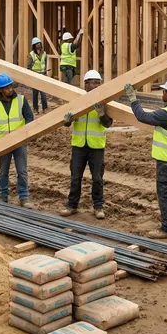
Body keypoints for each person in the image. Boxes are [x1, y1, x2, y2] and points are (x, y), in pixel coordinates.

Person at [124, 76, 167, 239]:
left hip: (166, 160)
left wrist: (133, 99)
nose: (162, 94)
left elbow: (142, 117)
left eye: (164, 91)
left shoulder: (166, 114)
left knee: (165, 193)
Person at [60, 69, 113, 220]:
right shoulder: (77, 100)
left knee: (97, 178)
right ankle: (72, 205)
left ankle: (98, 206)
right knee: (75, 177)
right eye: (93, 83)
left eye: (98, 83)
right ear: (86, 85)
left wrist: (102, 113)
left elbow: (108, 124)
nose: (96, 85)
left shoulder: (104, 102)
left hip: (96, 147)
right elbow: (66, 123)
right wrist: (68, 120)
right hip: (79, 145)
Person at [0, 73, 35, 207]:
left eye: (10, 86)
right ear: (0, 90)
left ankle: (23, 198)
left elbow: (30, 117)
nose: (9, 89)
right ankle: (3, 196)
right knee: (3, 171)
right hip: (3, 143)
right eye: (6, 88)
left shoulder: (21, 100)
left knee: (22, 171)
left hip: (19, 142)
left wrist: (25, 133)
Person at [28, 37, 48, 114]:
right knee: (35, 94)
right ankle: (35, 108)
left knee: (43, 93)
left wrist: (45, 73)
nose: (38, 45)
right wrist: (32, 74)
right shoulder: (31, 55)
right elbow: (29, 67)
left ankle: (45, 108)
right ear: (34, 45)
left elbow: (45, 64)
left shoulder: (44, 53)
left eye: (39, 43)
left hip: (42, 75)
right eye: (37, 44)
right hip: (35, 76)